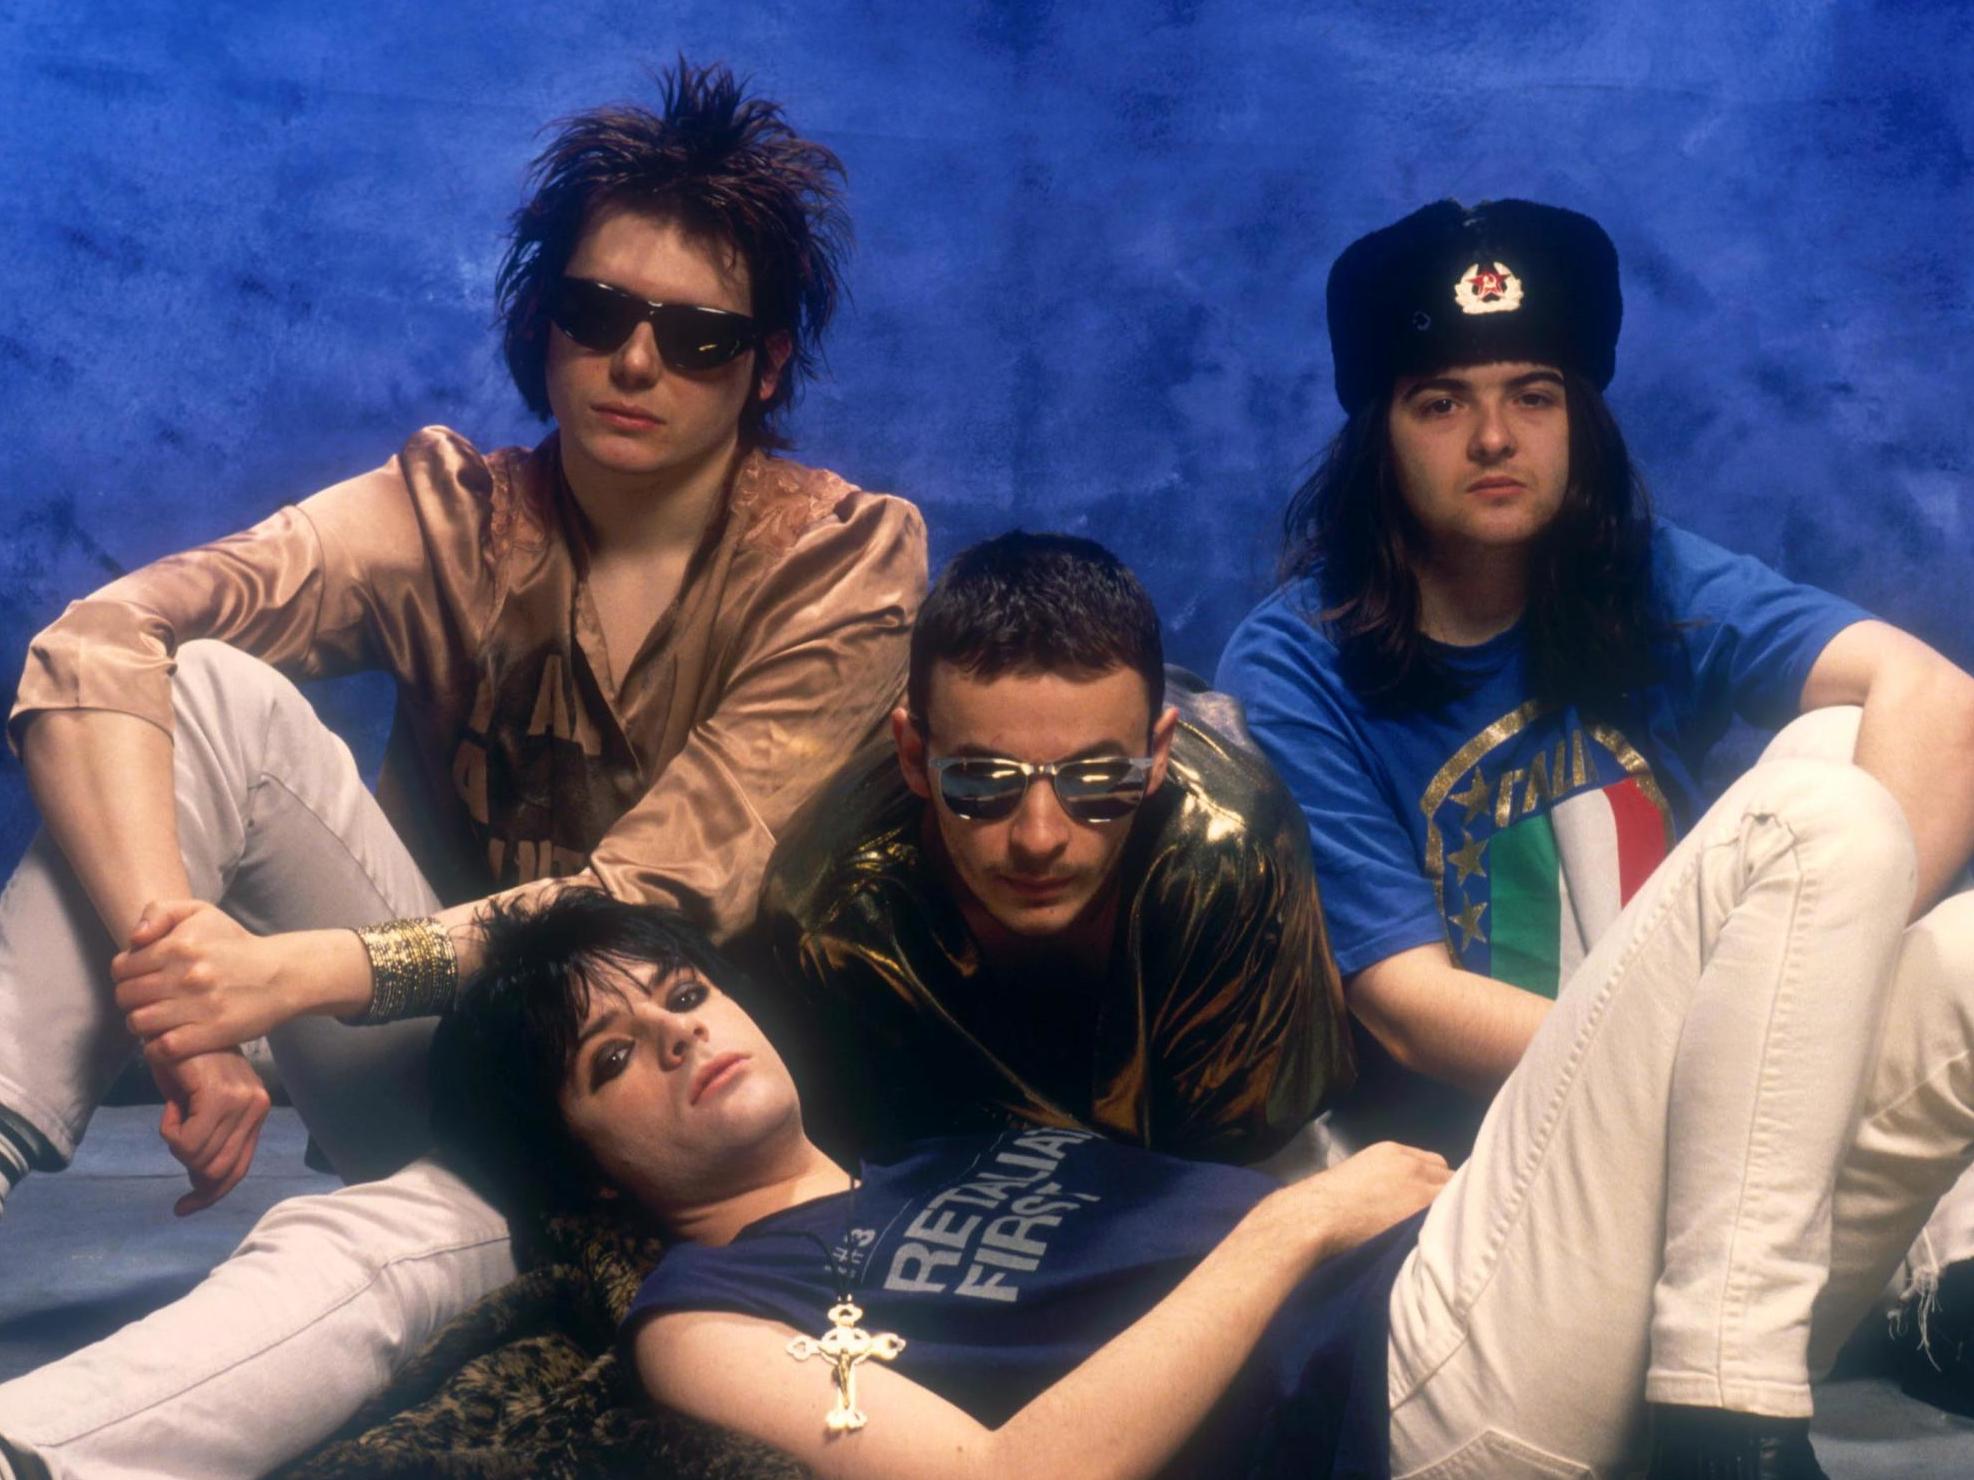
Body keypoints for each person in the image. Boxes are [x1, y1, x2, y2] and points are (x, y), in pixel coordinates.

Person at [0, 61, 924, 1478]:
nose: (633, 365)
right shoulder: (445, 514)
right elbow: (98, 641)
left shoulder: (844, 563)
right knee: (209, 691)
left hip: (658, 1125)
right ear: (540, 319)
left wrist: (296, 977)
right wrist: (186, 995)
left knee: (366, 1250)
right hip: (446, 1059)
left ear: (769, 363)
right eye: (596, 312)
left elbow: (652, 896)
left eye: (697, 337)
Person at [434, 815, 1974, 1480]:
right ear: (585, 1163)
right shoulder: (707, 1323)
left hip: (1514, 1308)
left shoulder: (946, 1148)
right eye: (613, 1055)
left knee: (1957, 953)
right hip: (1412, 1399)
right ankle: (1729, 1412)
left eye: (684, 992)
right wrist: (1296, 1226)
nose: (688, 1034)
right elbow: (1004, 1477)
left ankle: (1725, 1381)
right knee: (1810, 817)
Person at [1215, 200, 1974, 1461]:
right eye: (1441, 402)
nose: (1497, 436)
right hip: (1502, 1202)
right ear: (1379, 434)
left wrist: (1791, 1037)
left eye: (1537, 393)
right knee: (1827, 797)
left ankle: (1775, 1366)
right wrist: (1727, 1068)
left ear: (1583, 418)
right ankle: (1814, 1348)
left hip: (1739, 1192)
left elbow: (1941, 703)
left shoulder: (1644, 575)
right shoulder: (1299, 659)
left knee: (1857, 765)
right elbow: (1406, 1004)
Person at [751, 531, 1352, 1168]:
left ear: (1158, 757)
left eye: (1097, 781)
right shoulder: (831, 911)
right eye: (982, 782)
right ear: (913, 758)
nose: (1039, 839)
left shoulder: (1233, 848)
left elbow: (1247, 1168)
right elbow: (853, 1178)